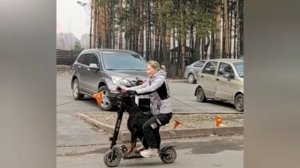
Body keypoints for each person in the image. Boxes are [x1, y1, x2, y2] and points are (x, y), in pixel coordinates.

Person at [123, 60, 173, 158]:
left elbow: (151, 88)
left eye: (149, 69)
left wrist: (136, 92)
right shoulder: (151, 79)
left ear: (155, 69)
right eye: (147, 69)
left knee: (147, 126)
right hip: (155, 112)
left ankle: (153, 150)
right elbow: (142, 86)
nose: (147, 71)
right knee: (143, 124)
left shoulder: (160, 79)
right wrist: (126, 89)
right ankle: (147, 145)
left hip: (164, 113)